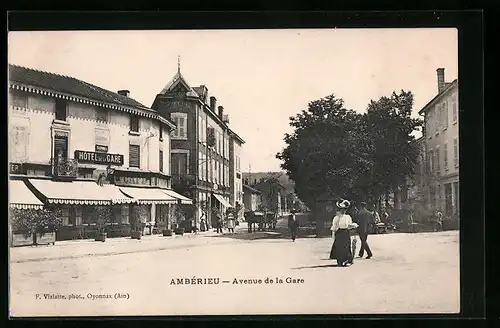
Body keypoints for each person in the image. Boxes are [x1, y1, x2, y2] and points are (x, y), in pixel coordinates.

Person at [329, 199, 355, 267]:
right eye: (341, 209)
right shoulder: (336, 218)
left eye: (344, 209)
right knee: (339, 247)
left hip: (346, 233)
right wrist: (333, 234)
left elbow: (349, 225)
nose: (343, 211)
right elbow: (334, 227)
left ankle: (347, 260)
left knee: (346, 247)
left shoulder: (348, 217)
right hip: (339, 233)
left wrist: (352, 226)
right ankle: (339, 261)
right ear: (339, 209)